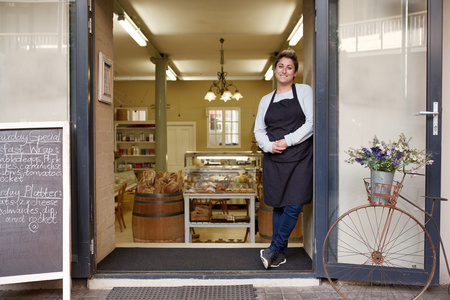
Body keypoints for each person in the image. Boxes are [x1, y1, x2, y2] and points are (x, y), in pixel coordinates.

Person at [254, 48, 313, 269]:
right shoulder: (265, 100)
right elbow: (259, 130)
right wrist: (269, 146)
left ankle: (273, 248)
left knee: (294, 205)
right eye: (281, 66)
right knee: (278, 205)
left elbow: (311, 123)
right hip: (274, 159)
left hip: (299, 157)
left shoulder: (304, 91)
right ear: (275, 70)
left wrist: (287, 141)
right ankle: (278, 254)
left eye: (289, 67)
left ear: (294, 73)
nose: (284, 70)